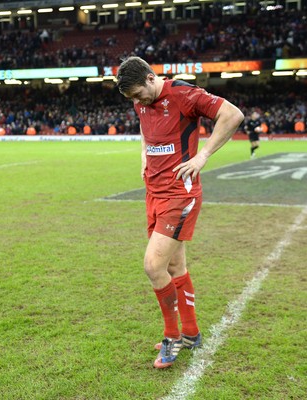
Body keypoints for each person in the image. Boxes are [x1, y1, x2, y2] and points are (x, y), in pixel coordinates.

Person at [116, 56, 244, 369]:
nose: (138, 101)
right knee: (174, 267)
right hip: (154, 194)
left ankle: (171, 336)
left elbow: (232, 114)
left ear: (150, 77)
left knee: (152, 266)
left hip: (179, 195)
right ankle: (190, 332)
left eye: (139, 93)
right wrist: (144, 157)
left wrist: (203, 156)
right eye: (132, 98)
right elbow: (147, 132)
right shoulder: (141, 103)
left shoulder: (182, 94)